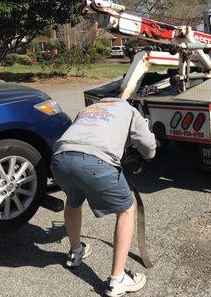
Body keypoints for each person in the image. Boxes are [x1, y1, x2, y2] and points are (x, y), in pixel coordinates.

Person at [51, 97, 157, 297]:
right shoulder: (129, 110)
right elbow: (147, 144)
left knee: (73, 202)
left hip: (60, 159)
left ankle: (75, 252)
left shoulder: (89, 109)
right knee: (126, 210)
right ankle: (118, 280)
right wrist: (149, 155)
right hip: (95, 162)